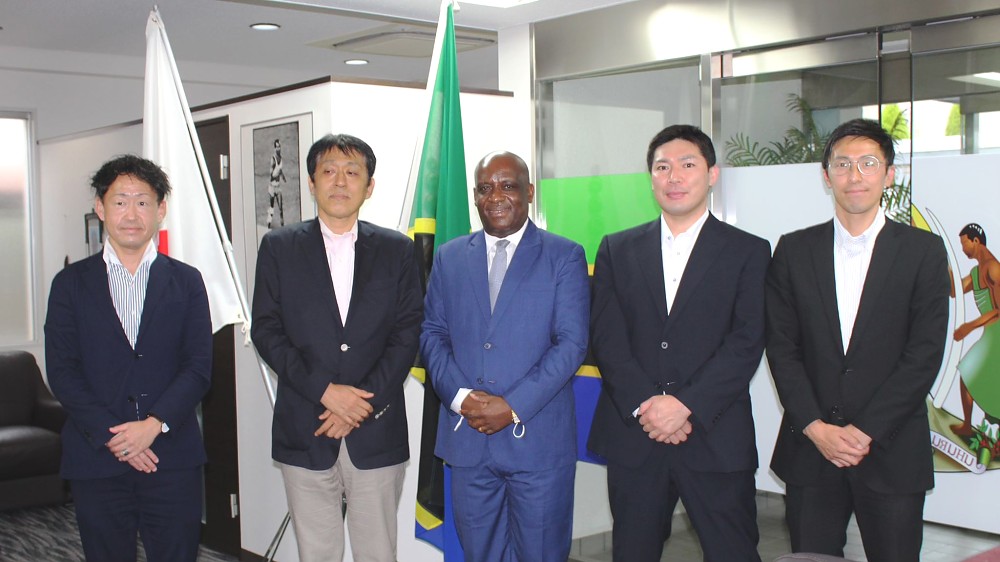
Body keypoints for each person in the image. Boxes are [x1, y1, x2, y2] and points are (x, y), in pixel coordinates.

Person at [766, 118, 950, 562]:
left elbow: (923, 355)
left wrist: (865, 432)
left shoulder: (922, 252)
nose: (855, 175)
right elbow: (781, 348)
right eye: (843, 164)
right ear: (826, 176)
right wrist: (815, 427)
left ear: (889, 174)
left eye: (868, 163)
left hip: (891, 451)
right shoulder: (793, 250)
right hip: (811, 452)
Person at [588, 124, 770, 562]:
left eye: (688, 165)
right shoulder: (617, 249)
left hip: (715, 434)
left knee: (733, 552)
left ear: (711, 174)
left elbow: (747, 340)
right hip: (637, 435)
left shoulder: (749, 251)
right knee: (633, 552)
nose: (674, 177)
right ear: (650, 177)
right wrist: (648, 405)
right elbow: (606, 337)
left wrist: (684, 404)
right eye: (662, 167)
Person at [251, 133, 422, 562]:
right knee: (317, 553)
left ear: (370, 185)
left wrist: (359, 404)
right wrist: (326, 391)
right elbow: (267, 331)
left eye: (352, 172)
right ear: (311, 183)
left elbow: (407, 333)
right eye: (328, 171)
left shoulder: (397, 250)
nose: (340, 181)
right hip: (305, 426)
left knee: (378, 553)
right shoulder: (278, 247)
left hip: (376, 426)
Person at [421, 151, 589, 562]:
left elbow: (570, 344)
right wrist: (462, 399)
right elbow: (432, 334)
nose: (495, 196)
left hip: (537, 444)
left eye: (508, 185)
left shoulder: (563, 255)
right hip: (467, 442)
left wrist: (511, 406)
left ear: (529, 192)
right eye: (484, 188)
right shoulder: (449, 256)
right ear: (475, 198)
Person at [45, 155, 212, 562]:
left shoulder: (186, 280)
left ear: (161, 210)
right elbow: (63, 372)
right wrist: (117, 437)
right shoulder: (70, 284)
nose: (131, 213)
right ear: (100, 208)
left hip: (171, 459)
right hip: (97, 458)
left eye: (143, 201)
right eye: (120, 201)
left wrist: (153, 426)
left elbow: (198, 367)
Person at [951, 223, 1000, 436]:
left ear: (976, 241)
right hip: (990, 334)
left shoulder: (993, 268)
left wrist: (969, 326)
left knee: (971, 371)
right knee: (967, 373)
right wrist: (944, 261)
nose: (963, 249)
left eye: (964, 244)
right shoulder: (976, 271)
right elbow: (954, 291)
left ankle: (973, 427)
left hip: (997, 333)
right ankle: (967, 426)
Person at [268, 138, 286, 228]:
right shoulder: (273, 159)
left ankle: (282, 226)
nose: (278, 149)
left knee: (281, 208)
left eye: (279, 147)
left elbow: (280, 170)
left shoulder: (281, 158)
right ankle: (269, 224)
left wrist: (283, 177)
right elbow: (271, 174)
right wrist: (276, 173)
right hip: (272, 187)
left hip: (278, 187)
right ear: (274, 148)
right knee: (271, 207)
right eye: (277, 147)